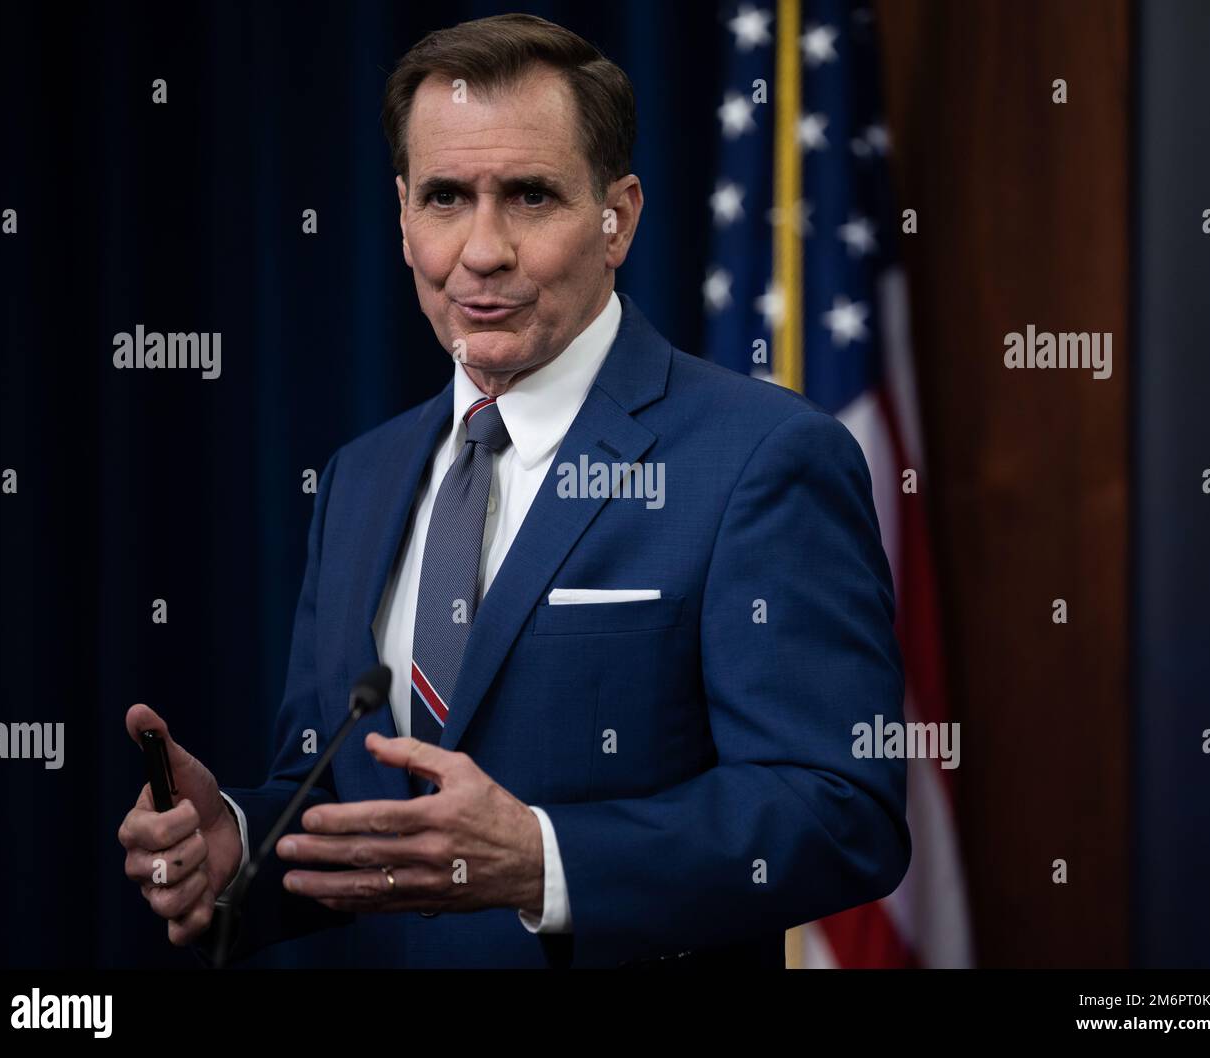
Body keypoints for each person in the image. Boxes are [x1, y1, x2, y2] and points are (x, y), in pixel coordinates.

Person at [116, 12, 910, 969]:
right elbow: (337, 794)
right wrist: (239, 842)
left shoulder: (765, 457)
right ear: (404, 217)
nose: (483, 251)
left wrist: (545, 859)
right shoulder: (360, 477)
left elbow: (841, 811)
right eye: (447, 197)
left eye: (531, 197)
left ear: (619, 218)